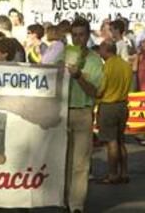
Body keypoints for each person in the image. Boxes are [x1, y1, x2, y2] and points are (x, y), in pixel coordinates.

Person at [65, 18, 103, 213]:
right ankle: (64, 199)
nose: (77, 38)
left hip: (82, 112)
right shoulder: (64, 55)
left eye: (81, 34)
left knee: (80, 164)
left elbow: (94, 92)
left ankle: (76, 205)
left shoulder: (95, 60)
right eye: (74, 34)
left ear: (88, 36)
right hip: (61, 113)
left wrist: (78, 75)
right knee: (63, 161)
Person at [96, 39, 132, 184]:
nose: (99, 52)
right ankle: (124, 172)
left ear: (106, 49)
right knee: (120, 141)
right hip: (123, 105)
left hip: (108, 106)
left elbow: (101, 89)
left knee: (111, 142)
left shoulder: (107, 67)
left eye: (101, 49)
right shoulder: (125, 65)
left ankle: (112, 174)